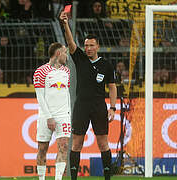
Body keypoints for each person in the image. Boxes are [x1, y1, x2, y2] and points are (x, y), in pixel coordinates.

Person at [60, 11, 117, 180]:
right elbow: (70, 41)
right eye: (86, 45)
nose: (88, 48)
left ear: (97, 46)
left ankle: (108, 177)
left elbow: (112, 87)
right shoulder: (80, 59)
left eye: (91, 45)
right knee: (77, 143)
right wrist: (65, 24)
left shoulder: (106, 65)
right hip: (81, 106)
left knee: (102, 143)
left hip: (99, 107)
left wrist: (113, 108)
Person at [33, 42, 71, 180]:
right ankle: (42, 178)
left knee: (64, 146)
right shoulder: (41, 71)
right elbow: (40, 96)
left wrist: (69, 114)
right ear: (58, 53)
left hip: (63, 115)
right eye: (65, 53)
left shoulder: (67, 71)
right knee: (42, 149)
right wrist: (49, 117)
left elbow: (67, 94)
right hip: (46, 116)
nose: (66, 56)